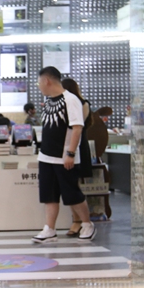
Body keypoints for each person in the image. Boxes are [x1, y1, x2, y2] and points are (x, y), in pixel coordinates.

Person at [32, 67, 95, 243]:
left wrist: (70, 153)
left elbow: (77, 128)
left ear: (47, 81)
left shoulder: (71, 100)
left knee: (71, 193)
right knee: (49, 194)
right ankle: (49, 229)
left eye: (39, 82)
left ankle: (87, 223)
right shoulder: (48, 101)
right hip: (46, 156)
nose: (39, 86)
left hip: (64, 156)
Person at [61, 78, 95, 236]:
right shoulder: (61, 104)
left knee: (73, 184)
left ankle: (80, 221)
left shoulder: (82, 104)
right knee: (70, 184)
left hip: (77, 146)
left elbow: (77, 127)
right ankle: (78, 220)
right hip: (66, 146)